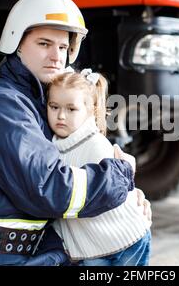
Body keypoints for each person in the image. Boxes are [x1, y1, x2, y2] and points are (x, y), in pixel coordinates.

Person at [0, 0, 151, 266]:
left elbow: (80, 153)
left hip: (25, 253)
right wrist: (118, 178)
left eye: (63, 47)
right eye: (44, 43)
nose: (56, 56)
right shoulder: (3, 105)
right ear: (16, 43)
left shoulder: (43, 105)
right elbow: (51, 189)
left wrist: (129, 198)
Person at [47, 70, 152, 266]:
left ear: (90, 111)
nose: (61, 115)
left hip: (126, 242)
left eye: (71, 109)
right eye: (54, 107)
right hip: (92, 247)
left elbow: (116, 190)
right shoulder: (52, 145)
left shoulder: (96, 145)